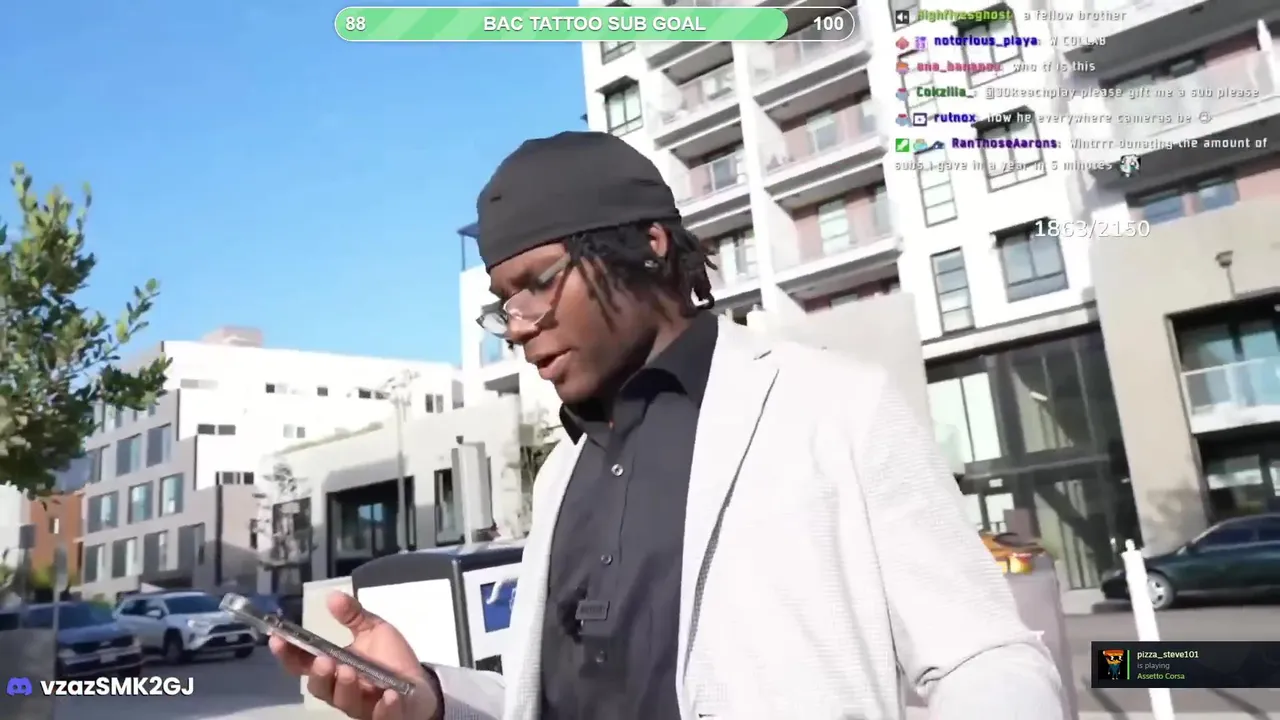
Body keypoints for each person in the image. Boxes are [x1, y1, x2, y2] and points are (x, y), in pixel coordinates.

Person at [272, 131, 1065, 720]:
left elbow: (982, 657)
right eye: (502, 303)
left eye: (538, 283)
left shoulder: (834, 408)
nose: (517, 325)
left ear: (648, 245)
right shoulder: (561, 474)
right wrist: (430, 696)